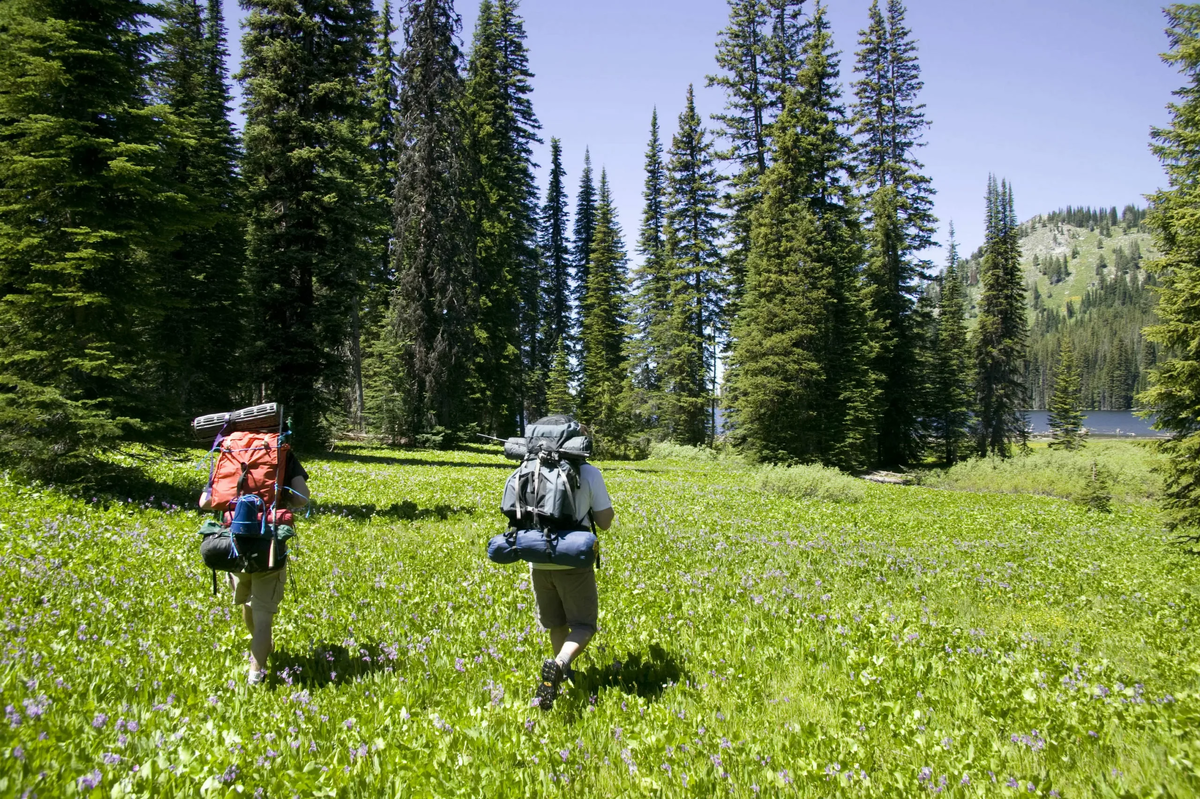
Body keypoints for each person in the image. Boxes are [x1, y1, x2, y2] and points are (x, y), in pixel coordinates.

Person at [200, 454, 309, 686]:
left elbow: (204, 502)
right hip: (268, 543)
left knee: (248, 601)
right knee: (263, 618)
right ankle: (256, 676)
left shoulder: (229, 453)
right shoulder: (281, 452)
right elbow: (301, 499)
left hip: (234, 543)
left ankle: (260, 650)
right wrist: (279, 497)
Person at [532, 448, 614, 710]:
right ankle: (559, 664)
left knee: (557, 623)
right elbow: (605, 522)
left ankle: (560, 680)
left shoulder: (533, 467)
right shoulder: (589, 472)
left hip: (537, 558)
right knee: (583, 625)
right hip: (572, 558)